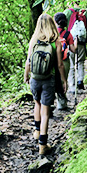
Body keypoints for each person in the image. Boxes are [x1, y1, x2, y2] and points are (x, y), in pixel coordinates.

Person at [24, 14, 67, 155]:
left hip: (35, 79)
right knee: (45, 111)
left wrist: (26, 76)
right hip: (49, 79)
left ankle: (37, 132)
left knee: (37, 103)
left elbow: (28, 61)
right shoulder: (56, 42)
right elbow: (60, 64)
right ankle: (43, 144)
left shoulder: (34, 40)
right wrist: (64, 80)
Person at [63, 3, 87, 92]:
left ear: (71, 2)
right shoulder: (85, 13)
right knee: (80, 63)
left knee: (71, 64)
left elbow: (63, 27)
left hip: (70, 42)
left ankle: (72, 85)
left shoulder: (67, 12)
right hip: (81, 42)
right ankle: (80, 82)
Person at [54, 12, 77, 109]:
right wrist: (75, 41)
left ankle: (50, 103)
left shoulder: (52, 33)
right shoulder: (68, 34)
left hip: (53, 60)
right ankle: (61, 104)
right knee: (63, 81)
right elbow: (73, 50)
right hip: (64, 60)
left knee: (53, 81)